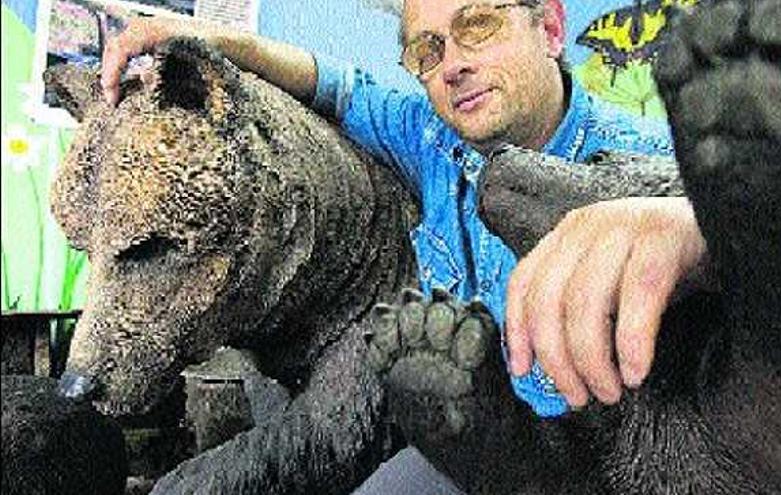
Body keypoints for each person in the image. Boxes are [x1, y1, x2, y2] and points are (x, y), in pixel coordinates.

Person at [101, 0, 706, 468]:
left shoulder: (658, 165)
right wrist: (203, 36)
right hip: (464, 450)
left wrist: (692, 233)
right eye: (427, 49)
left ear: (549, 29)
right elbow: (334, 84)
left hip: (604, 465)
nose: (452, 66)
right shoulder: (431, 139)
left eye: (478, 26)